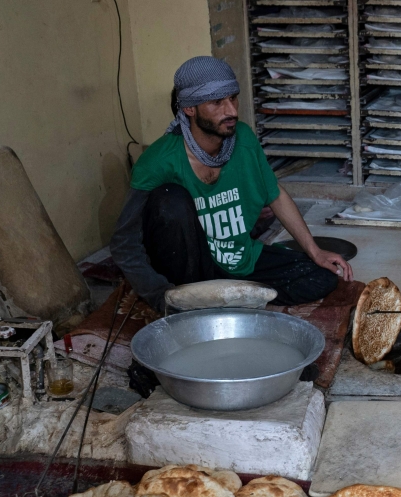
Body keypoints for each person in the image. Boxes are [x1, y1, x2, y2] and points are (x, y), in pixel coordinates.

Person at [110, 56, 352, 311]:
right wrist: (158, 293)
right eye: (217, 102)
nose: (232, 111)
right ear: (189, 108)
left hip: (237, 260)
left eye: (233, 98)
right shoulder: (158, 161)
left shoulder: (244, 139)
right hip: (189, 269)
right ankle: (199, 297)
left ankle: (226, 297)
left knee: (322, 277)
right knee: (170, 198)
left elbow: (275, 194)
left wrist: (315, 251)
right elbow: (124, 243)